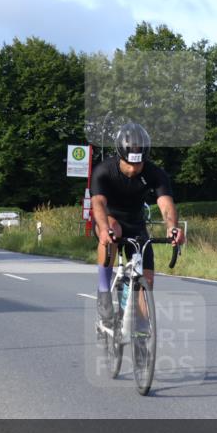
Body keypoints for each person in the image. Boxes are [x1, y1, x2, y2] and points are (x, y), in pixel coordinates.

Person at [90, 123, 185, 327]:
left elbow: (166, 205)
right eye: (129, 164)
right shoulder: (104, 170)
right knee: (113, 230)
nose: (133, 169)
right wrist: (103, 228)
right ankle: (104, 291)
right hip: (109, 219)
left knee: (147, 282)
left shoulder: (155, 173)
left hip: (136, 223)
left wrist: (173, 227)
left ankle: (142, 335)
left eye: (138, 164)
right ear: (120, 156)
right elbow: (97, 203)